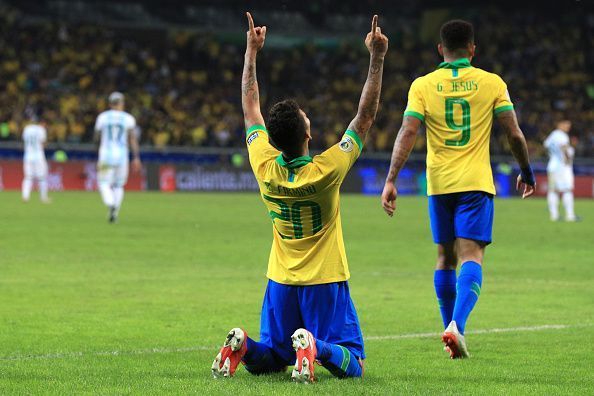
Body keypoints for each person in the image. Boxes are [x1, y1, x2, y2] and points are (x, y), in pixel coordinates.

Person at [211, 13, 388, 382]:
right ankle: (315, 346)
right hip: (324, 278)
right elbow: (365, 117)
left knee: (274, 355)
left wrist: (251, 52)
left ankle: (242, 344)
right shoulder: (327, 170)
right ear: (307, 135)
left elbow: (249, 107)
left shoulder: (264, 165)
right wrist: (377, 58)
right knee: (354, 362)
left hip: (280, 280)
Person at [380, 20, 535, 359]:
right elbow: (514, 135)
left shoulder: (423, 85)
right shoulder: (491, 83)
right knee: (472, 256)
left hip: (439, 184)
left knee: (444, 258)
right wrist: (526, 171)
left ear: (441, 49)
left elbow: (408, 132)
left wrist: (391, 178)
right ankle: (457, 326)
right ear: (473, 49)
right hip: (475, 183)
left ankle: (451, 331)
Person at [94, 92, 141, 223]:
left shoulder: (102, 117)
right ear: (122, 103)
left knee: (103, 182)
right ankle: (114, 212)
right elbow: (132, 139)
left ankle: (110, 203)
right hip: (122, 156)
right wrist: (136, 157)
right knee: (119, 185)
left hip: (106, 155)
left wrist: (97, 153)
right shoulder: (128, 118)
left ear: (110, 103)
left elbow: (96, 137)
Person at [544, 120, 576, 221]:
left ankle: (554, 215)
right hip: (562, 166)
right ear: (559, 124)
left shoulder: (552, 135)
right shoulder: (561, 135)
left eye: (569, 124)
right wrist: (567, 160)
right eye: (566, 124)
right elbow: (564, 147)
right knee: (567, 189)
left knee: (553, 190)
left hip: (552, 166)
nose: (568, 126)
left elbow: (546, 146)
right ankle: (570, 216)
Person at [21, 117, 50, 203]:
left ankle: (25, 197)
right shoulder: (41, 129)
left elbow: (24, 141)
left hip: (28, 156)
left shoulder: (26, 129)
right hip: (38, 156)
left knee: (28, 177)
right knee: (42, 177)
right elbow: (43, 143)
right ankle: (43, 198)